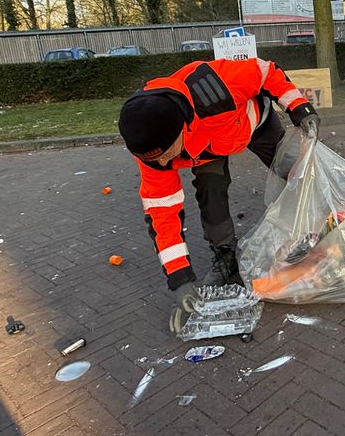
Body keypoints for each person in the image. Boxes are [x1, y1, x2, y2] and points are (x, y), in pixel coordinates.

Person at [117, 58, 320, 335]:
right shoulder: (153, 154)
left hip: (255, 124)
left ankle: (323, 224)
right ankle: (225, 255)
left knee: (296, 172)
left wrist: (298, 106)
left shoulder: (214, 85)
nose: (163, 163)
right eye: (156, 159)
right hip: (206, 152)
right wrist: (180, 279)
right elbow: (162, 215)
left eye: (166, 153)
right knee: (210, 193)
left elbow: (266, 71)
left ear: (181, 127)